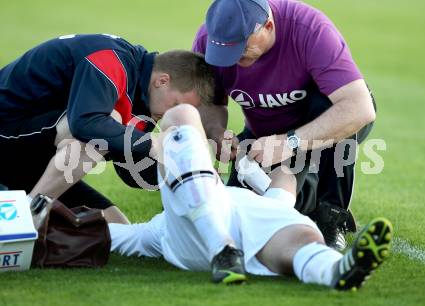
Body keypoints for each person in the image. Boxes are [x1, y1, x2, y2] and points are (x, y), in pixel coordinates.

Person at [109, 104, 392, 290]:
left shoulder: (268, 203)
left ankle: (336, 270)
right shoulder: (162, 226)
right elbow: (116, 236)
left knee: (302, 241)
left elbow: (285, 177)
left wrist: (256, 164)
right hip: (200, 228)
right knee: (181, 114)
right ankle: (221, 247)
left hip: (250, 229)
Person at [192, 0, 377, 250]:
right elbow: (208, 102)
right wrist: (216, 132)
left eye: (241, 47)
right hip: (265, 133)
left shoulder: (310, 30)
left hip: (318, 123)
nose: (233, 58)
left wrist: (290, 142)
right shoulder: (209, 41)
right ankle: (307, 199)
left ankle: (332, 213)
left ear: (268, 26)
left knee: (327, 105)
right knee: (245, 210)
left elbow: (358, 107)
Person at [0, 34, 215, 223]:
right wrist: (151, 142)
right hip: (7, 133)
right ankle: (26, 216)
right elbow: (86, 124)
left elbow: (132, 169)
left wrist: (186, 165)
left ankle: (25, 201)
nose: (172, 113)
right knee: (101, 125)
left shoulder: (147, 97)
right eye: (176, 104)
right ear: (162, 81)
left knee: (117, 228)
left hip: (32, 162)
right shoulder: (111, 59)